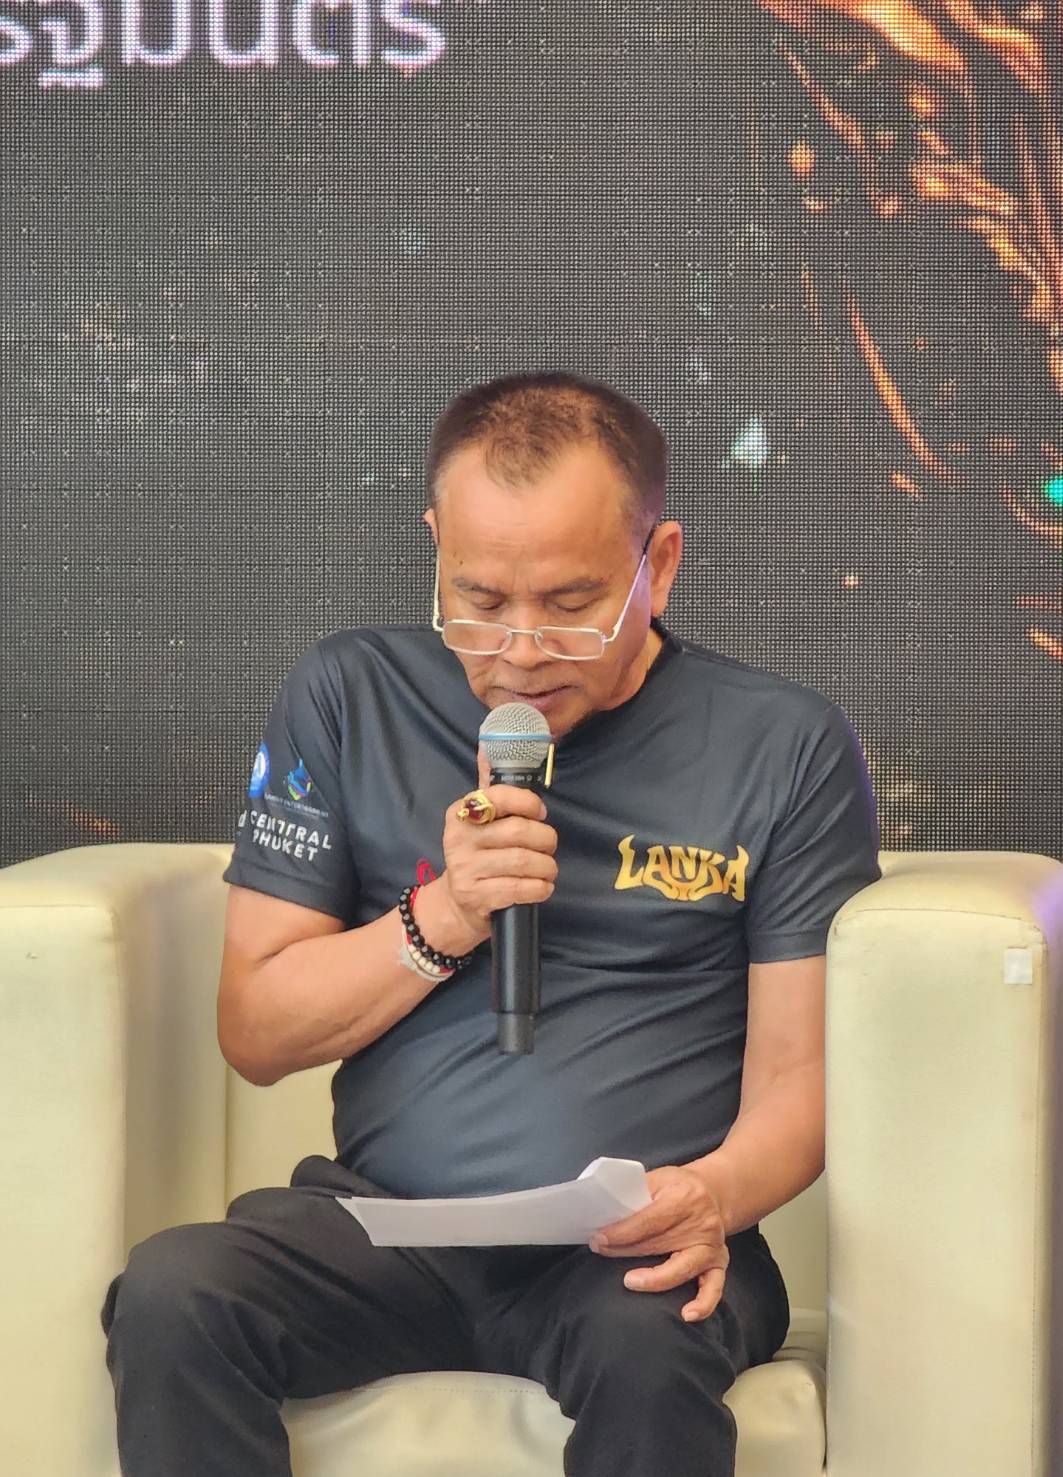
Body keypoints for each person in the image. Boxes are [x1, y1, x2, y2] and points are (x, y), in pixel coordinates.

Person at [100, 370, 881, 1477]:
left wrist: (713, 1195)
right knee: (175, 1292)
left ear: (658, 563)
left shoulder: (782, 744)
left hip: (628, 1242)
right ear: (436, 549)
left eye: (569, 603)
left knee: (648, 1346)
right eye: (479, 598)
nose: (518, 650)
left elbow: (799, 1081)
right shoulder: (349, 693)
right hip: (388, 1229)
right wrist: (443, 916)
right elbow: (256, 1029)